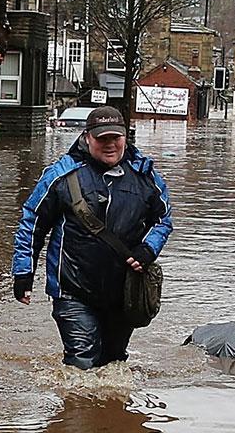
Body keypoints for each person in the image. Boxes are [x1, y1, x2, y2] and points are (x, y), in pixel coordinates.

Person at [11, 105, 173, 369]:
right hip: (72, 290)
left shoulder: (145, 176)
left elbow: (163, 219)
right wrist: (23, 273)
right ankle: (76, 409)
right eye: (102, 138)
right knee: (81, 364)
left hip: (123, 293)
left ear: (125, 137)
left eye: (115, 138)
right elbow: (32, 222)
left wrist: (148, 249)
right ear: (87, 137)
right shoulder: (61, 175)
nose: (110, 145)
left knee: (113, 364)